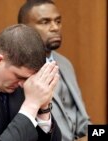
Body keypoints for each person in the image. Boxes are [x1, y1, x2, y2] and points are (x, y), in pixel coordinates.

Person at [18, 0, 91, 141]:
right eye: (45, 22)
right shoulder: (21, 72)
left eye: (58, 21)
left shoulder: (65, 63)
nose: (55, 27)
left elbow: (84, 123)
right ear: (24, 29)